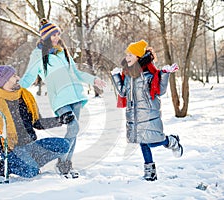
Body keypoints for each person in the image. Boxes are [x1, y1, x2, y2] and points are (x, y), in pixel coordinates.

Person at [19, 18, 106, 178]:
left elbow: (77, 73)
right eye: (53, 35)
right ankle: (62, 162)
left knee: (74, 130)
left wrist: (94, 80)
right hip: (59, 99)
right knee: (74, 127)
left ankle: (66, 164)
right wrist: (15, 88)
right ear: (45, 37)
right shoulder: (38, 54)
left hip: (76, 97)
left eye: (58, 34)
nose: (57, 37)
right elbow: (29, 76)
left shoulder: (63, 52)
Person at [0, 65, 73, 179]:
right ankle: (7, 164)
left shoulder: (24, 96)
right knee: (31, 172)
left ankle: (31, 162)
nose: (18, 78)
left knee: (63, 145)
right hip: (11, 151)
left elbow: (37, 123)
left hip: (31, 146)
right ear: (4, 81)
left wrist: (59, 120)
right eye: (14, 76)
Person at [111, 39, 183, 181]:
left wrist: (165, 74)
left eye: (131, 55)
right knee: (143, 143)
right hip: (135, 115)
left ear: (138, 57)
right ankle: (150, 173)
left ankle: (171, 141)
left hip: (149, 114)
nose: (127, 58)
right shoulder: (127, 76)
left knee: (151, 141)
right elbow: (122, 92)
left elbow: (160, 90)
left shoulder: (149, 75)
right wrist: (116, 77)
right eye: (127, 55)